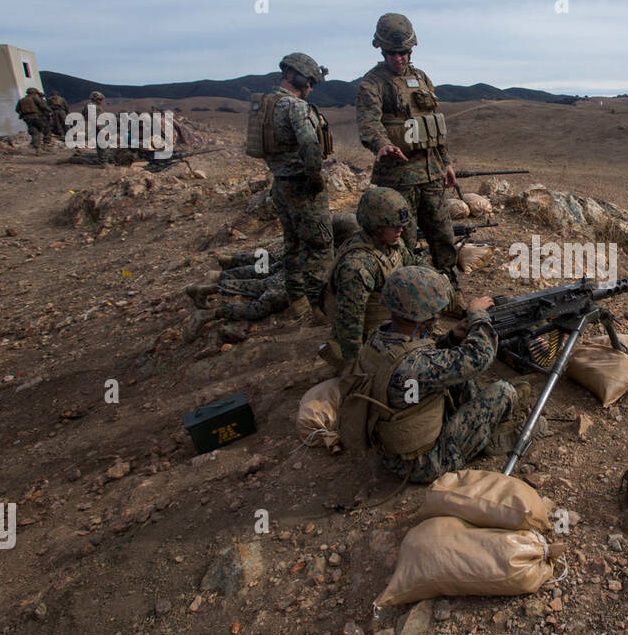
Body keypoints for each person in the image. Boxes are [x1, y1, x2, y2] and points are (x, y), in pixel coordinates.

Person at [347, 266, 519, 484]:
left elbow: (419, 361)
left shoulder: (378, 337)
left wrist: (451, 338)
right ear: (425, 315)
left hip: (393, 449)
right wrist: (478, 316)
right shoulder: (416, 365)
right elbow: (479, 357)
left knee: (459, 378)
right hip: (424, 463)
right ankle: (490, 436)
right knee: (503, 392)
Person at [355, 13, 463, 314]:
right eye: (393, 53)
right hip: (399, 178)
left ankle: (451, 292)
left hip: (431, 174)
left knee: (442, 235)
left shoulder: (422, 78)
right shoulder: (372, 84)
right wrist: (382, 144)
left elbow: (434, 126)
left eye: (404, 52)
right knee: (405, 242)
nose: (399, 58)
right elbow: (368, 124)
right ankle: (407, 305)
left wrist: (446, 163)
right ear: (380, 49)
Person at [182, 213, 357, 343]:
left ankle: (217, 278)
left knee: (262, 274)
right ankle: (209, 313)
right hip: (291, 281)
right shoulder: (338, 254)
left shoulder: (318, 237)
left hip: (286, 269)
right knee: (260, 304)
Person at [262, 52, 334, 327]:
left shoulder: (269, 103)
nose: (311, 88)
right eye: (310, 81)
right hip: (301, 185)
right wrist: (315, 174)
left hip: (280, 183)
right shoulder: (295, 106)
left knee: (292, 243)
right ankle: (322, 308)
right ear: (297, 76)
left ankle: (297, 300)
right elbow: (309, 143)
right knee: (318, 244)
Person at [320, 187, 426, 370]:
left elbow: (414, 267)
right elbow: (350, 322)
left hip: (392, 322)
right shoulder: (358, 266)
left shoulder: (392, 244)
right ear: (376, 226)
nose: (401, 229)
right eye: (394, 225)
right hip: (372, 338)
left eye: (402, 224)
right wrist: (356, 367)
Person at [15, 87, 50, 153]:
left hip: (27, 118)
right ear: (34, 93)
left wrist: (23, 113)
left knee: (34, 132)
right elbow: (42, 106)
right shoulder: (34, 98)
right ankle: (46, 145)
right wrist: (49, 111)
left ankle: (37, 148)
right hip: (36, 116)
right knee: (46, 128)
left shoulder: (21, 100)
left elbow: (17, 110)